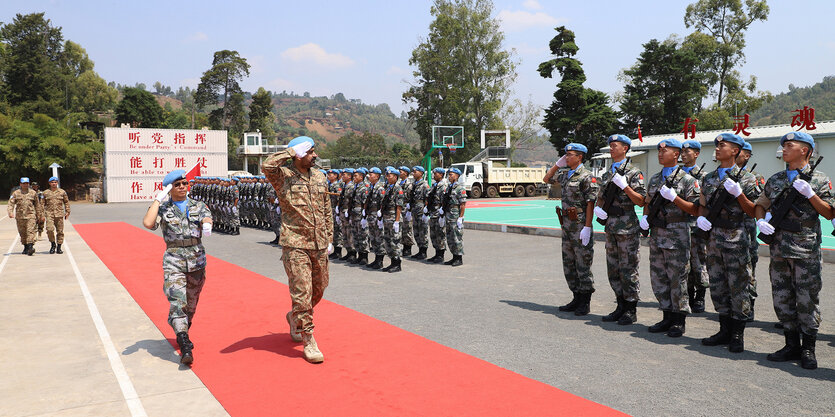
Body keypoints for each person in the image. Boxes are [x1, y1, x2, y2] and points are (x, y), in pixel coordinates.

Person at [756, 132, 834, 370]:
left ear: (805, 150)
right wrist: (761, 221)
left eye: (789, 145)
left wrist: (811, 194)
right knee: (782, 297)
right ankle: (791, 344)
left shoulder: (820, 179)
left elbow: (830, 212)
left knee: (807, 299)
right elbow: (761, 204)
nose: (784, 149)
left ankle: (808, 347)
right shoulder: (776, 178)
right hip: (778, 248)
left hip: (806, 250)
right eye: (783, 146)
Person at [262, 136, 334, 364]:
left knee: (320, 288)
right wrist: (291, 152)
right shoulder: (283, 176)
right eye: (310, 152)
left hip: (320, 243)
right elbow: (267, 165)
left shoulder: (320, 177)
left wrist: (329, 238)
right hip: (295, 244)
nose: (315, 156)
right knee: (302, 292)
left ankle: (295, 316)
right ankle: (309, 338)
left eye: (314, 151)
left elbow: (326, 209)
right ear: (300, 154)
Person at [142, 169, 213, 366]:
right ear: (169, 188)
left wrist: (207, 224)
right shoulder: (164, 209)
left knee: (190, 304)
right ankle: (184, 344)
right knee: (177, 301)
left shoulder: (198, 205)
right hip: (174, 260)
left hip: (197, 260)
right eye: (177, 184)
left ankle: (182, 328)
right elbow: (148, 223)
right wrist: (158, 200)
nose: (182, 187)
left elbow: (207, 217)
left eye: (185, 183)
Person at [696, 133, 758, 353]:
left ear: (735, 151)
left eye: (723, 145)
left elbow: (753, 211)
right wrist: (701, 218)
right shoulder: (708, 178)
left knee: (739, 286)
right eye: (717, 145)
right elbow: (702, 204)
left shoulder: (747, 179)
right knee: (718, 285)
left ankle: (738, 334)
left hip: (736, 238)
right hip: (713, 239)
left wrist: (739, 194)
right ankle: (724, 329)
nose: (718, 148)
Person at [639, 138, 700, 337]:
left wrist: (675, 198)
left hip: (677, 234)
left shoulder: (687, 179)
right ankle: (666, 316)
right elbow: (648, 201)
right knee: (659, 277)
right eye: (659, 151)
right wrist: (645, 218)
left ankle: (678, 320)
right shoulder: (655, 178)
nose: (660, 153)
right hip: (658, 233)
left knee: (678, 278)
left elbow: (695, 208)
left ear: (676, 154)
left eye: (665, 151)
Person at [594, 135, 646, 325]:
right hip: (611, 226)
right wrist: (599, 209)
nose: (611, 148)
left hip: (627, 227)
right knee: (613, 268)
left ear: (625, 148)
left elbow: (641, 201)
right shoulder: (607, 174)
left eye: (615, 146)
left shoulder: (633, 172)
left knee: (628, 268)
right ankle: (620, 305)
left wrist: (625, 187)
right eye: (610, 145)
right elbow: (601, 196)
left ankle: (631, 309)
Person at [544, 143, 599, 316]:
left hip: (580, 224)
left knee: (583, 262)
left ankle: (585, 301)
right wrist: (556, 165)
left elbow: (591, 202)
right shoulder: (565, 174)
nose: (567, 157)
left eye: (570, 155)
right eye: (565, 155)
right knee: (569, 263)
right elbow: (546, 179)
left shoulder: (586, 176)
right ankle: (576, 297)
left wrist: (588, 227)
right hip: (567, 224)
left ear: (580, 156)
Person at [680, 140, 710, 313]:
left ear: (696, 154)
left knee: (699, 261)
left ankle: (700, 295)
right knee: (684, 263)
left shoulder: (704, 176)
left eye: (687, 152)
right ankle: (688, 294)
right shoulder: (676, 175)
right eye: (682, 152)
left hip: (696, 225)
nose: (684, 155)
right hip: (679, 226)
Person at [736, 141, 764, 322]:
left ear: (746, 156)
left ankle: (749, 304)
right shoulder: (723, 175)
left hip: (747, 228)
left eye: (739, 152)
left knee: (748, 268)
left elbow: (759, 204)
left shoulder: (755, 177)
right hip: (727, 229)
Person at [8, 177, 44, 256]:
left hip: (31, 216)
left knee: (30, 231)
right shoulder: (16, 193)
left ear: (29, 184)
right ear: (20, 184)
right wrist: (10, 212)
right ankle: (25, 246)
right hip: (20, 216)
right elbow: (11, 203)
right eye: (23, 183)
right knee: (22, 233)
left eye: (27, 183)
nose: (25, 185)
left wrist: (39, 215)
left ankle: (30, 247)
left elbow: (37, 205)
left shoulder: (33, 193)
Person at [382, 166, 406, 272]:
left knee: (395, 242)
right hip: (387, 217)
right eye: (386, 175)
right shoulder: (388, 187)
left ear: (395, 177)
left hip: (394, 218)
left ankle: (397, 264)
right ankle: (392, 262)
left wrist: (397, 221)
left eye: (389, 175)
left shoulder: (398, 188)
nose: (387, 177)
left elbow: (399, 206)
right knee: (388, 241)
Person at [442, 167, 467, 266]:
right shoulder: (449, 187)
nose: (449, 176)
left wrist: (460, 217)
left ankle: (459, 258)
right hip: (448, 214)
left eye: (451, 174)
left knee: (457, 237)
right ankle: (454, 256)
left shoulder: (460, 188)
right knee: (450, 236)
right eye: (449, 174)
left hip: (455, 215)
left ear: (457, 176)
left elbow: (463, 204)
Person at [364, 167, 386, 269]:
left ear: (377, 176)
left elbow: (383, 203)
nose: (369, 176)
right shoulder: (371, 187)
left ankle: (380, 261)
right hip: (371, 216)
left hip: (377, 217)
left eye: (371, 174)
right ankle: (376, 259)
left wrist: (380, 215)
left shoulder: (380, 188)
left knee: (379, 238)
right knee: (373, 238)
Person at [42, 177, 70, 254]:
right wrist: (41, 215)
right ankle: (53, 244)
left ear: (57, 183)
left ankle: (59, 247)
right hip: (49, 214)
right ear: (49, 183)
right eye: (52, 182)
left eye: (55, 182)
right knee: (49, 229)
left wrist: (67, 211)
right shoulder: (45, 193)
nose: (54, 183)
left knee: (60, 231)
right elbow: (42, 204)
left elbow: (66, 202)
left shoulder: (62, 192)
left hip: (59, 214)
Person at [426, 168, 448, 263]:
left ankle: (441, 255)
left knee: (440, 234)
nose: (434, 175)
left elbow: (445, 199)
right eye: (434, 173)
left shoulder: (443, 185)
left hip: (439, 212)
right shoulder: (434, 185)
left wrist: (443, 212)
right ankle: (436, 253)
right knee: (433, 234)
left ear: (441, 175)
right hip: (433, 213)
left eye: (436, 174)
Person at [350, 168, 371, 266]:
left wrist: (364, 214)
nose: (354, 177)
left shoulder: (364, 187)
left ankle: (364, 257)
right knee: (356, 235)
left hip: (360, 213)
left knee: (363, 235)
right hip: (354, 213)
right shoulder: (355, 186)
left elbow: (366, 202)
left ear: (361, 177)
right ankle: (359, 255)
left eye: (356, 176)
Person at [409, 166, 430, 260]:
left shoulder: (424, 184)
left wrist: (426, 210)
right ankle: (419, 249)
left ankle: (424, 251)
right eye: (413, 172)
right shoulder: (413, 184)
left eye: (415, 172)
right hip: (414, 209)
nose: (413, 173)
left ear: (421, 173)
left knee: (423, 231)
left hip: (421, 209)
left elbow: (428, 198)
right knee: (416, 230)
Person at [338, 169, 357, 262]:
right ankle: (348, 252)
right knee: (344, 232)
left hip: (348, 211)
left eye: (344, 174)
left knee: (350, 233)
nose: (342, 176)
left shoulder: (351, 186)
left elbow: (351, 200)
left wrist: (349, 211)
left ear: (350, 176)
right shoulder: (345, 185)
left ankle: (353, 253)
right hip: (343, 210)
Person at [399, 166, 416, 257]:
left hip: (407, 207)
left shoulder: (409, 184)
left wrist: (410, 207)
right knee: (402, 228)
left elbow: (411, 197)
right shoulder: (399, 183)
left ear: (406, 173)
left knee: (407, 228)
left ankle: (408, 248)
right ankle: (403, 246)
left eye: (401, 172)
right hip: (400, 207)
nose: (399, 173)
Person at [327, 169, 343, 257]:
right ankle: (334, 250)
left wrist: (337, 208)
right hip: (329, 209)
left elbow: (339, 198)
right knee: (332, 230)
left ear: (336, 176)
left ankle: (338, 251)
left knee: (337, 230)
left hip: (335, 209)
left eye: (331, 174)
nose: (329, 176)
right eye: (328, 175)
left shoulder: (337, 185)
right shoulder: (329, 184)